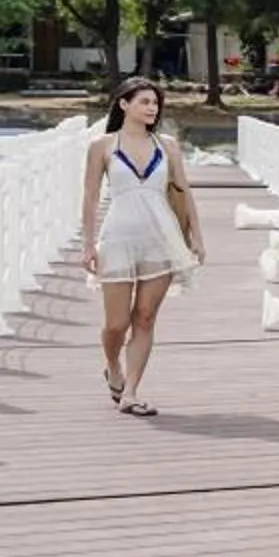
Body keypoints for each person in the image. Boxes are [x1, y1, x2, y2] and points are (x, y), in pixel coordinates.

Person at [80, 77, 205, 417]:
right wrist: (88, 244)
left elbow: (184, 191)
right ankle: (113, 366)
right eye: (144, 102)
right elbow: (90, 197)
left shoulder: (167, 145)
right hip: (118, 238)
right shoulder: (102, 146)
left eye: (155, 103)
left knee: (146, 318)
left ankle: (131, 392)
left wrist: (196, 237)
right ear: (123, 104)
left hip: (162, 239)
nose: (152, 108)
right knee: (116, 324)